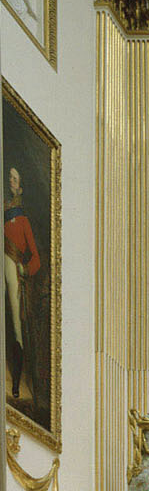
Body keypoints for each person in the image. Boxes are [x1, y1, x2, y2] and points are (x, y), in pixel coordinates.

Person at [4, 165, 41, 401]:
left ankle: (16, 384)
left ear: (21, 186)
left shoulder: (24, 220)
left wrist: (24, 269)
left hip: (14, 272)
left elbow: (35, 257)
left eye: (15, 179)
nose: (11, 182)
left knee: (17, 326)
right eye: (9, 178)